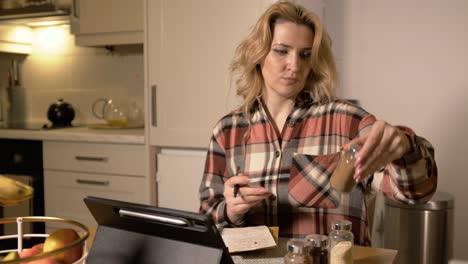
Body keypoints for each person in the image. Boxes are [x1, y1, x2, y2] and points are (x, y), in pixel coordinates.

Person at [199, 0, 437, 246]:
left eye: (305, 54)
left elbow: (413, 194)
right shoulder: (227, 132)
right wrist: (230, 211)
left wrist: (405, 148)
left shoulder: (348, 122)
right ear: (258, 54)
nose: (295, 65)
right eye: (282, 51)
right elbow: (206, 220)